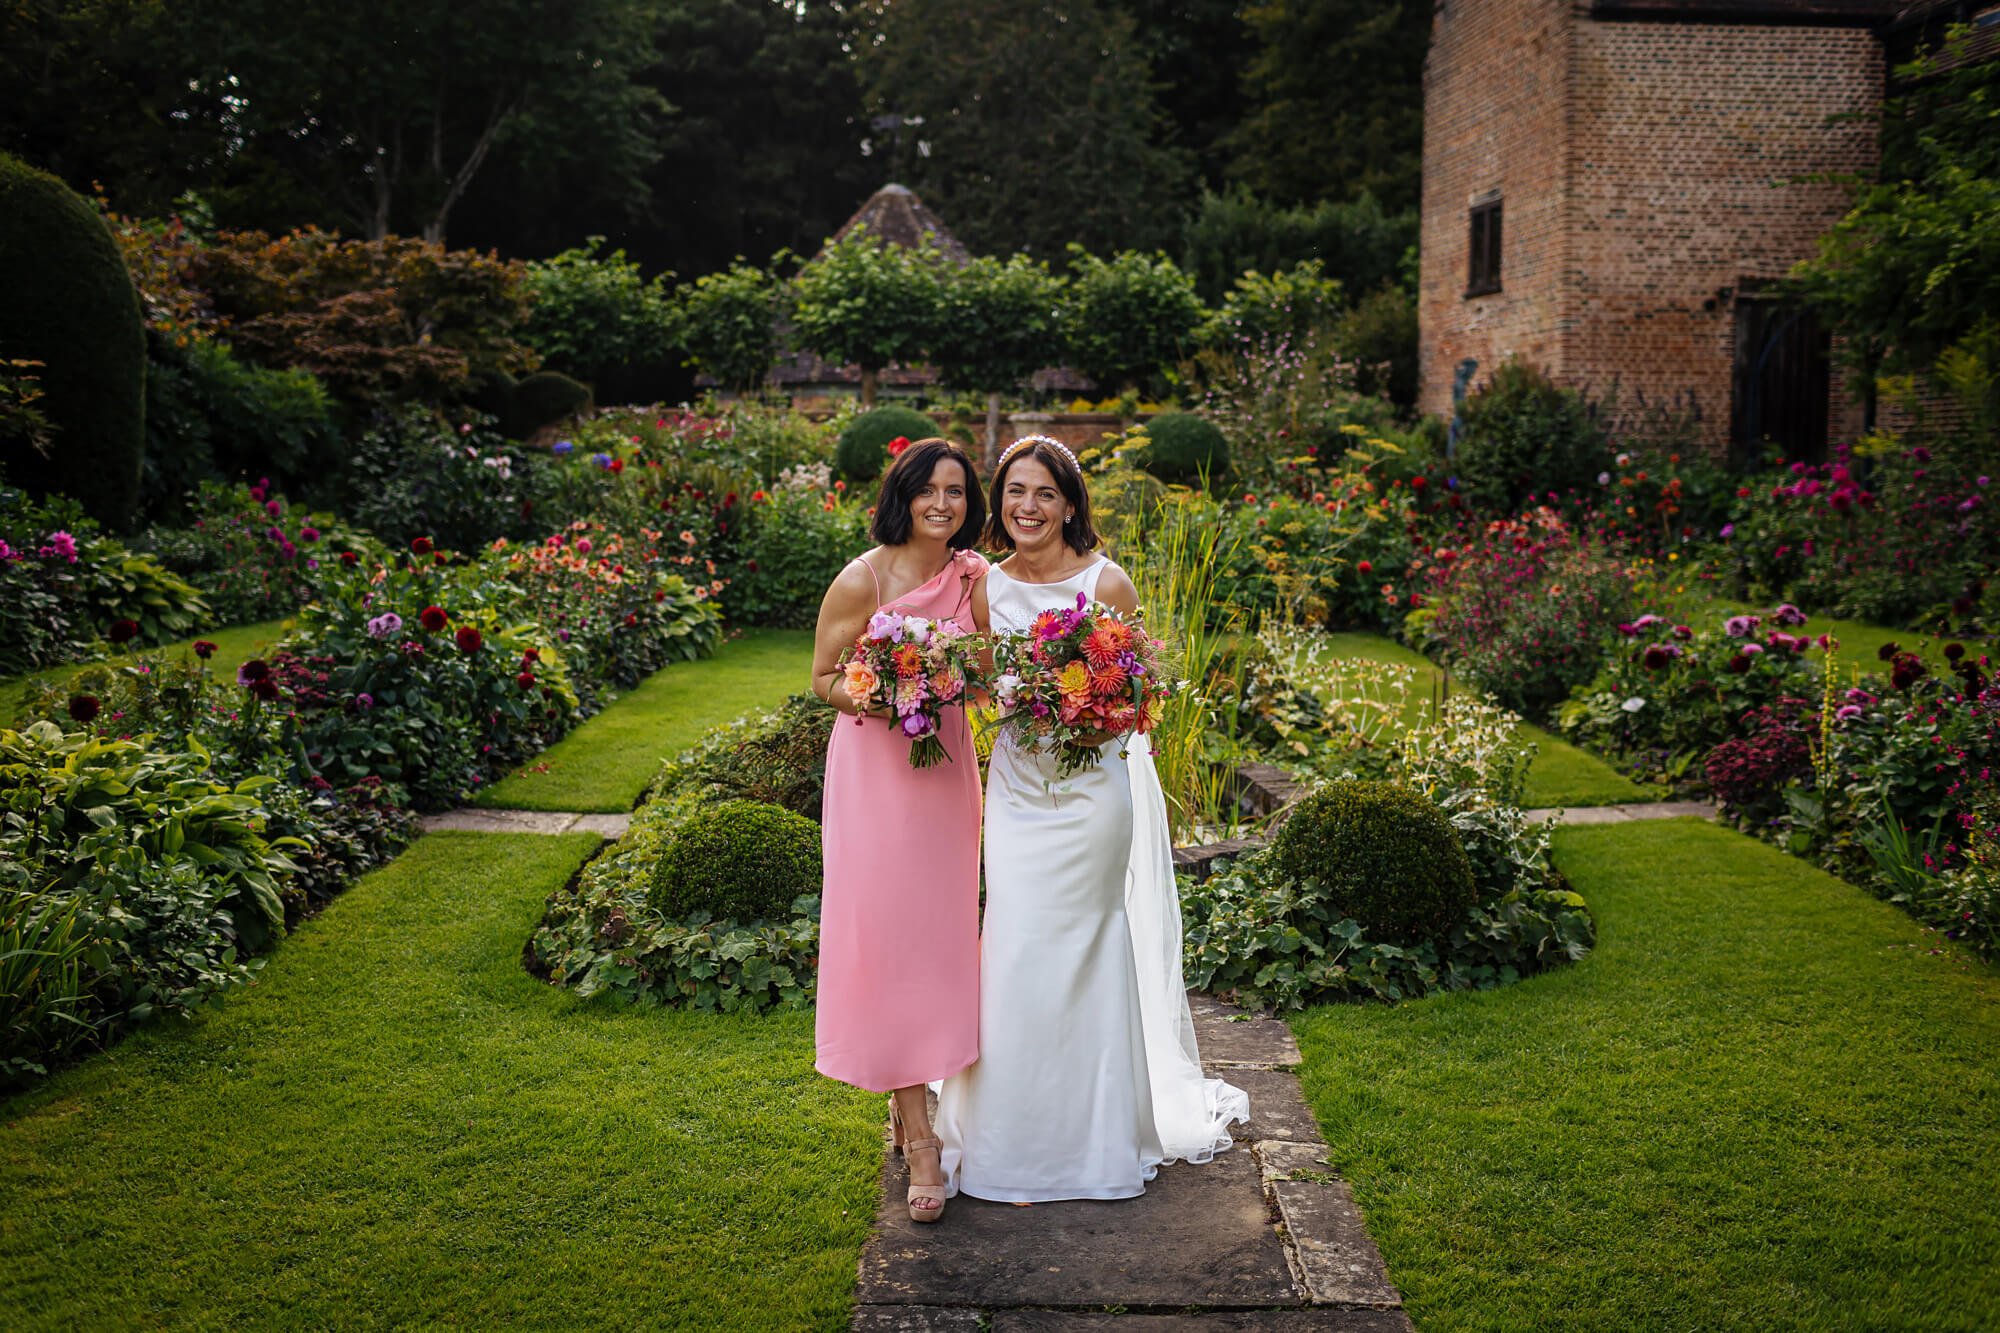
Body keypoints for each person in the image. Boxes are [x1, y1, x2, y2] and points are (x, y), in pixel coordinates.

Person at [934, 435, 1247, 1203]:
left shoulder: (1110, 584)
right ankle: (1011, 1137)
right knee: (1015, 942)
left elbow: (1136, 701)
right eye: (1014, 493)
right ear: (999, 502)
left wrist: (1085, 713)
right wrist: (1016, 697)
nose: (1027, 507)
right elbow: (977, 687)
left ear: (1070, 502)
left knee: (1091, 945)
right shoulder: (984, 587)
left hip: (1093, 792)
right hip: (1016, 790)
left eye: (1044, 493)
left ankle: (1095, 1139)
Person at [810, 438, 990, 1224]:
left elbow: (984, 671)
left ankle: (910, 1101)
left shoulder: (974, 576)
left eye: (956, 491)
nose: (943, 504)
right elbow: (822, 677)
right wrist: (882, 695)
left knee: (938, 942)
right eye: (930, 490)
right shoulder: (865, 576)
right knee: (886, 940)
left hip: (945, 772)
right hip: (875, 779)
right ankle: (921, 1138)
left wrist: (951, 678)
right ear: (904, 494)